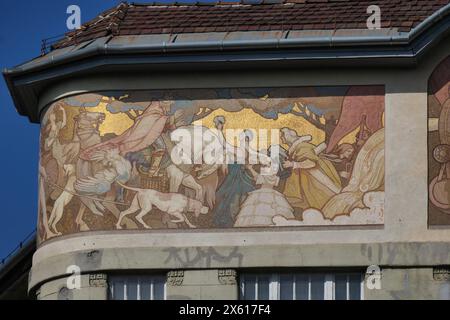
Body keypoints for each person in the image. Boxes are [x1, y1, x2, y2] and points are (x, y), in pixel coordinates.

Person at [281, 128, 342, 210]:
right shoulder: (298, 147)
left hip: (317, 182)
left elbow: (311, 163)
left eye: (282, 135)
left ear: (287, 136)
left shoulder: (301, 146)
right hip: (311, 181)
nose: (281, 138)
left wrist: (293, 164)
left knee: (328, 204)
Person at [234, 156, 295, 227]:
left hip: (262, 193)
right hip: (272, 193)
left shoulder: (266, 176)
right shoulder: (275, 177)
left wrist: (250, 168)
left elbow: (257, 177)